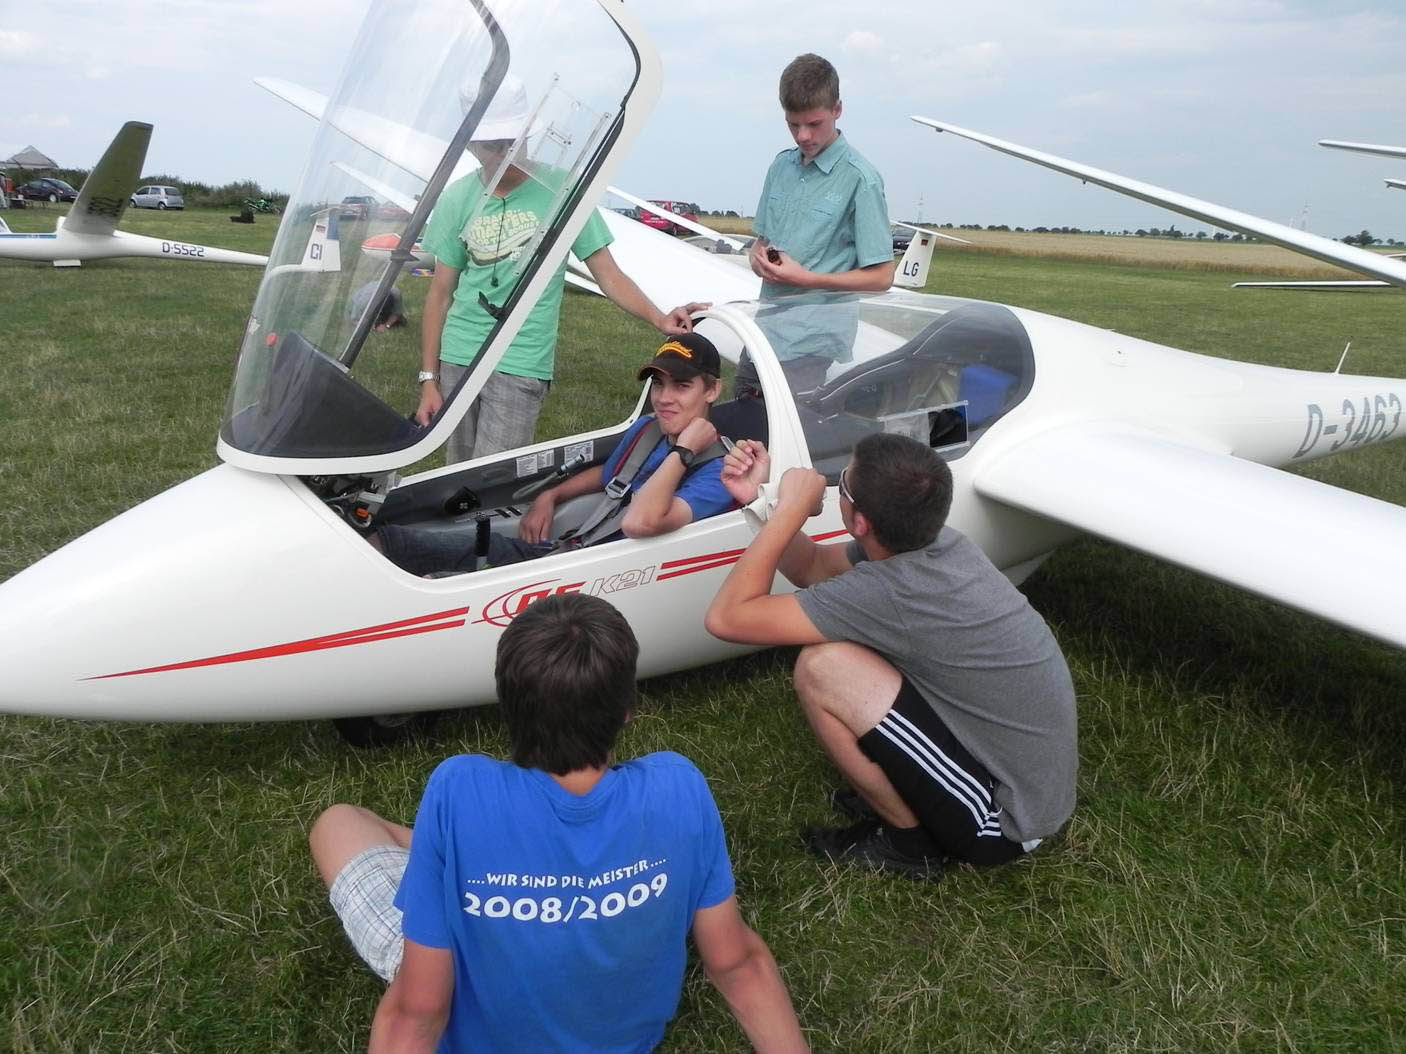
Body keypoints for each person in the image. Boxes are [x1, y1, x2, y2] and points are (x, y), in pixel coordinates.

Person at [308, 593, 808, 1053]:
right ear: (629, 709)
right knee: (437, 852)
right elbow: (736, 962)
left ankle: (451, 865)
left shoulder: (458, 791)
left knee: (338, 823)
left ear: (506, 704)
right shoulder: (678, 787)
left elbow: (420, 1007)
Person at [704, 433, 1077, 879]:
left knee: (822, 667)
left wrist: (789, 509)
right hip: (1019, 774)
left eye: (842, 481)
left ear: (860, 522)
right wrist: (761, 500)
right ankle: (909, 791)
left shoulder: (892, 593)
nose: (836, 483)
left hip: (1006, 820)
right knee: (840, 649)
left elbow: (726, 618)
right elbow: (812, 569)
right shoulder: (937, 543)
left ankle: (909, 843)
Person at [415, 75, 703, 463]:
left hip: (521, 360)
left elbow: (609, 274)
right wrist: (429, 381)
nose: (506, 153)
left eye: (514, 142)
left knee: (492, 476)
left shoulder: (563, 190)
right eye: (493, 146)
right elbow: (440, 294)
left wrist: (658, 318)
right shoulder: (457, 198)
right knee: (454, 475)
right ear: (471, 145)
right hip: (459, 356)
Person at [378, 333, 734, 575]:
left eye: (682, 386)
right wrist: (551, 494)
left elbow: (640, 523)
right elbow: (610, 477)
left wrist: (685, 451)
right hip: (570, 553)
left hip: (604, 579)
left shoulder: (718, 474)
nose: (664, 398)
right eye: (658, 384)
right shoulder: (647, 430)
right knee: (396, 541)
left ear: (712, 390)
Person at [737, 54, 895, 398]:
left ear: (837, 109)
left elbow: (883, 277)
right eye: (793, 125)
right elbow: (761, 241)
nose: (803, 135)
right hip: (764, 332)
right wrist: (757, 258)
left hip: (811, 346)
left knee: (783, 445)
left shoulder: (861, 179)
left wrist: (807, 280)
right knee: (740, 432)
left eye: (814, 124)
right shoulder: (780, 166)